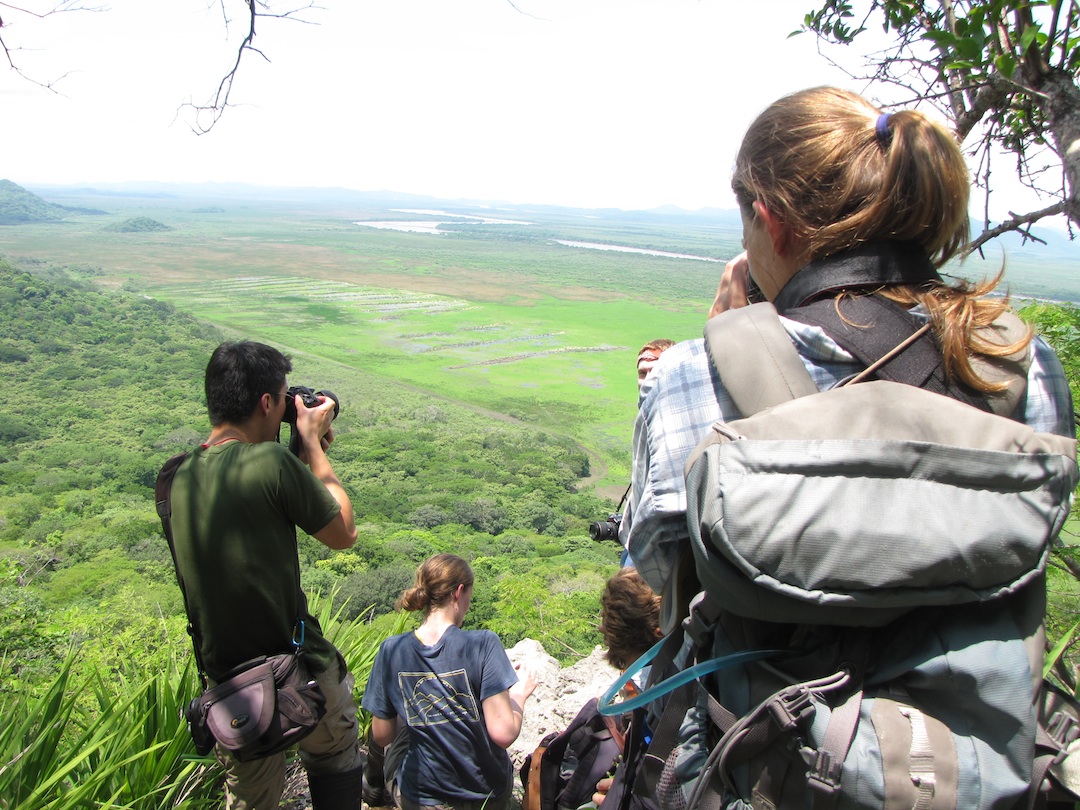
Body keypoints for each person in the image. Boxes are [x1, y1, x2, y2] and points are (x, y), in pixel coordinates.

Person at [622, 86, 1074, 800]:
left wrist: (721, 333)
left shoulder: (696, 371)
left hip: (761, 764)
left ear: (772, 222)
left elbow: (660, 572)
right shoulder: (1017, 364)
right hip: (975, 771)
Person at [166, 341, 362, 810]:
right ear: (268, 403)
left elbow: (253, 508)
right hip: (297, 667)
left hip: (229, 685)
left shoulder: (174, 477)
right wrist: (312, 445)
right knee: (335, 753)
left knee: (251, 798)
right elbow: (343, 533)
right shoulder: (270, 464)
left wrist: (293, 452)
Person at [362, 553, 538, 810]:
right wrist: (518, 695)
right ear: (458, 592)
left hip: (421, 799)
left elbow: (382, 734)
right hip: (488, 797)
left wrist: (411, 699)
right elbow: (503, 734)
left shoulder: (391, 650)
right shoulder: (484, 643)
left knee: (389, 724)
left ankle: (372, 790)